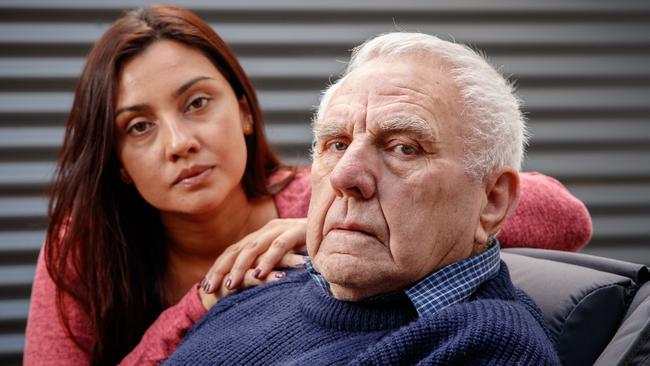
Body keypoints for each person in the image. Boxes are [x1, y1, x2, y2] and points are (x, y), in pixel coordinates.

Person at [23, 6, 588, 366]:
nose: (177, 142)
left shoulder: (317, 213)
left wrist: (317, 229)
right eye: (138, 126)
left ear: (245, 112)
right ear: (118, 161)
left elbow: (559, 214)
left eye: (197, 103)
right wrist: (202, 302)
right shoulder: (87, 245)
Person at [164, 32, 563, 365]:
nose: (344, 176)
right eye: (336, 144)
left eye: (404, 148)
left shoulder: (488, 346)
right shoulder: (266, 286)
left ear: (492, 202)